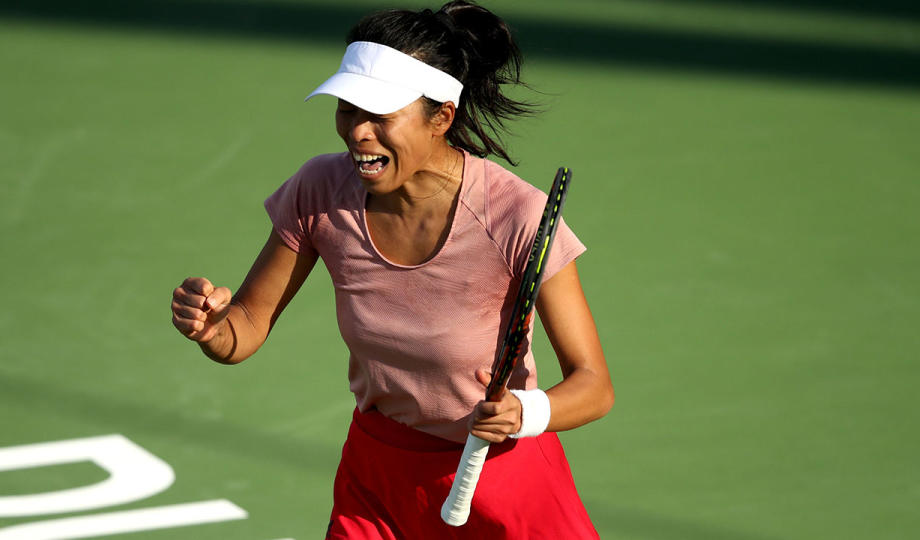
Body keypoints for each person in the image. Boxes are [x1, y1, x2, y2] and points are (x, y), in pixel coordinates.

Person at [170, 1, 614, 538]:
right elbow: (244, 329)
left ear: (441, 118)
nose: (357, 132)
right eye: (347, 110)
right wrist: (213, 329)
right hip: (377, 476)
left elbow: (594, 386)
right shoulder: (319, 192)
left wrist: (526, 412)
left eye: (379, 115)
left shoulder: (514, 216)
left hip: (499, 480)